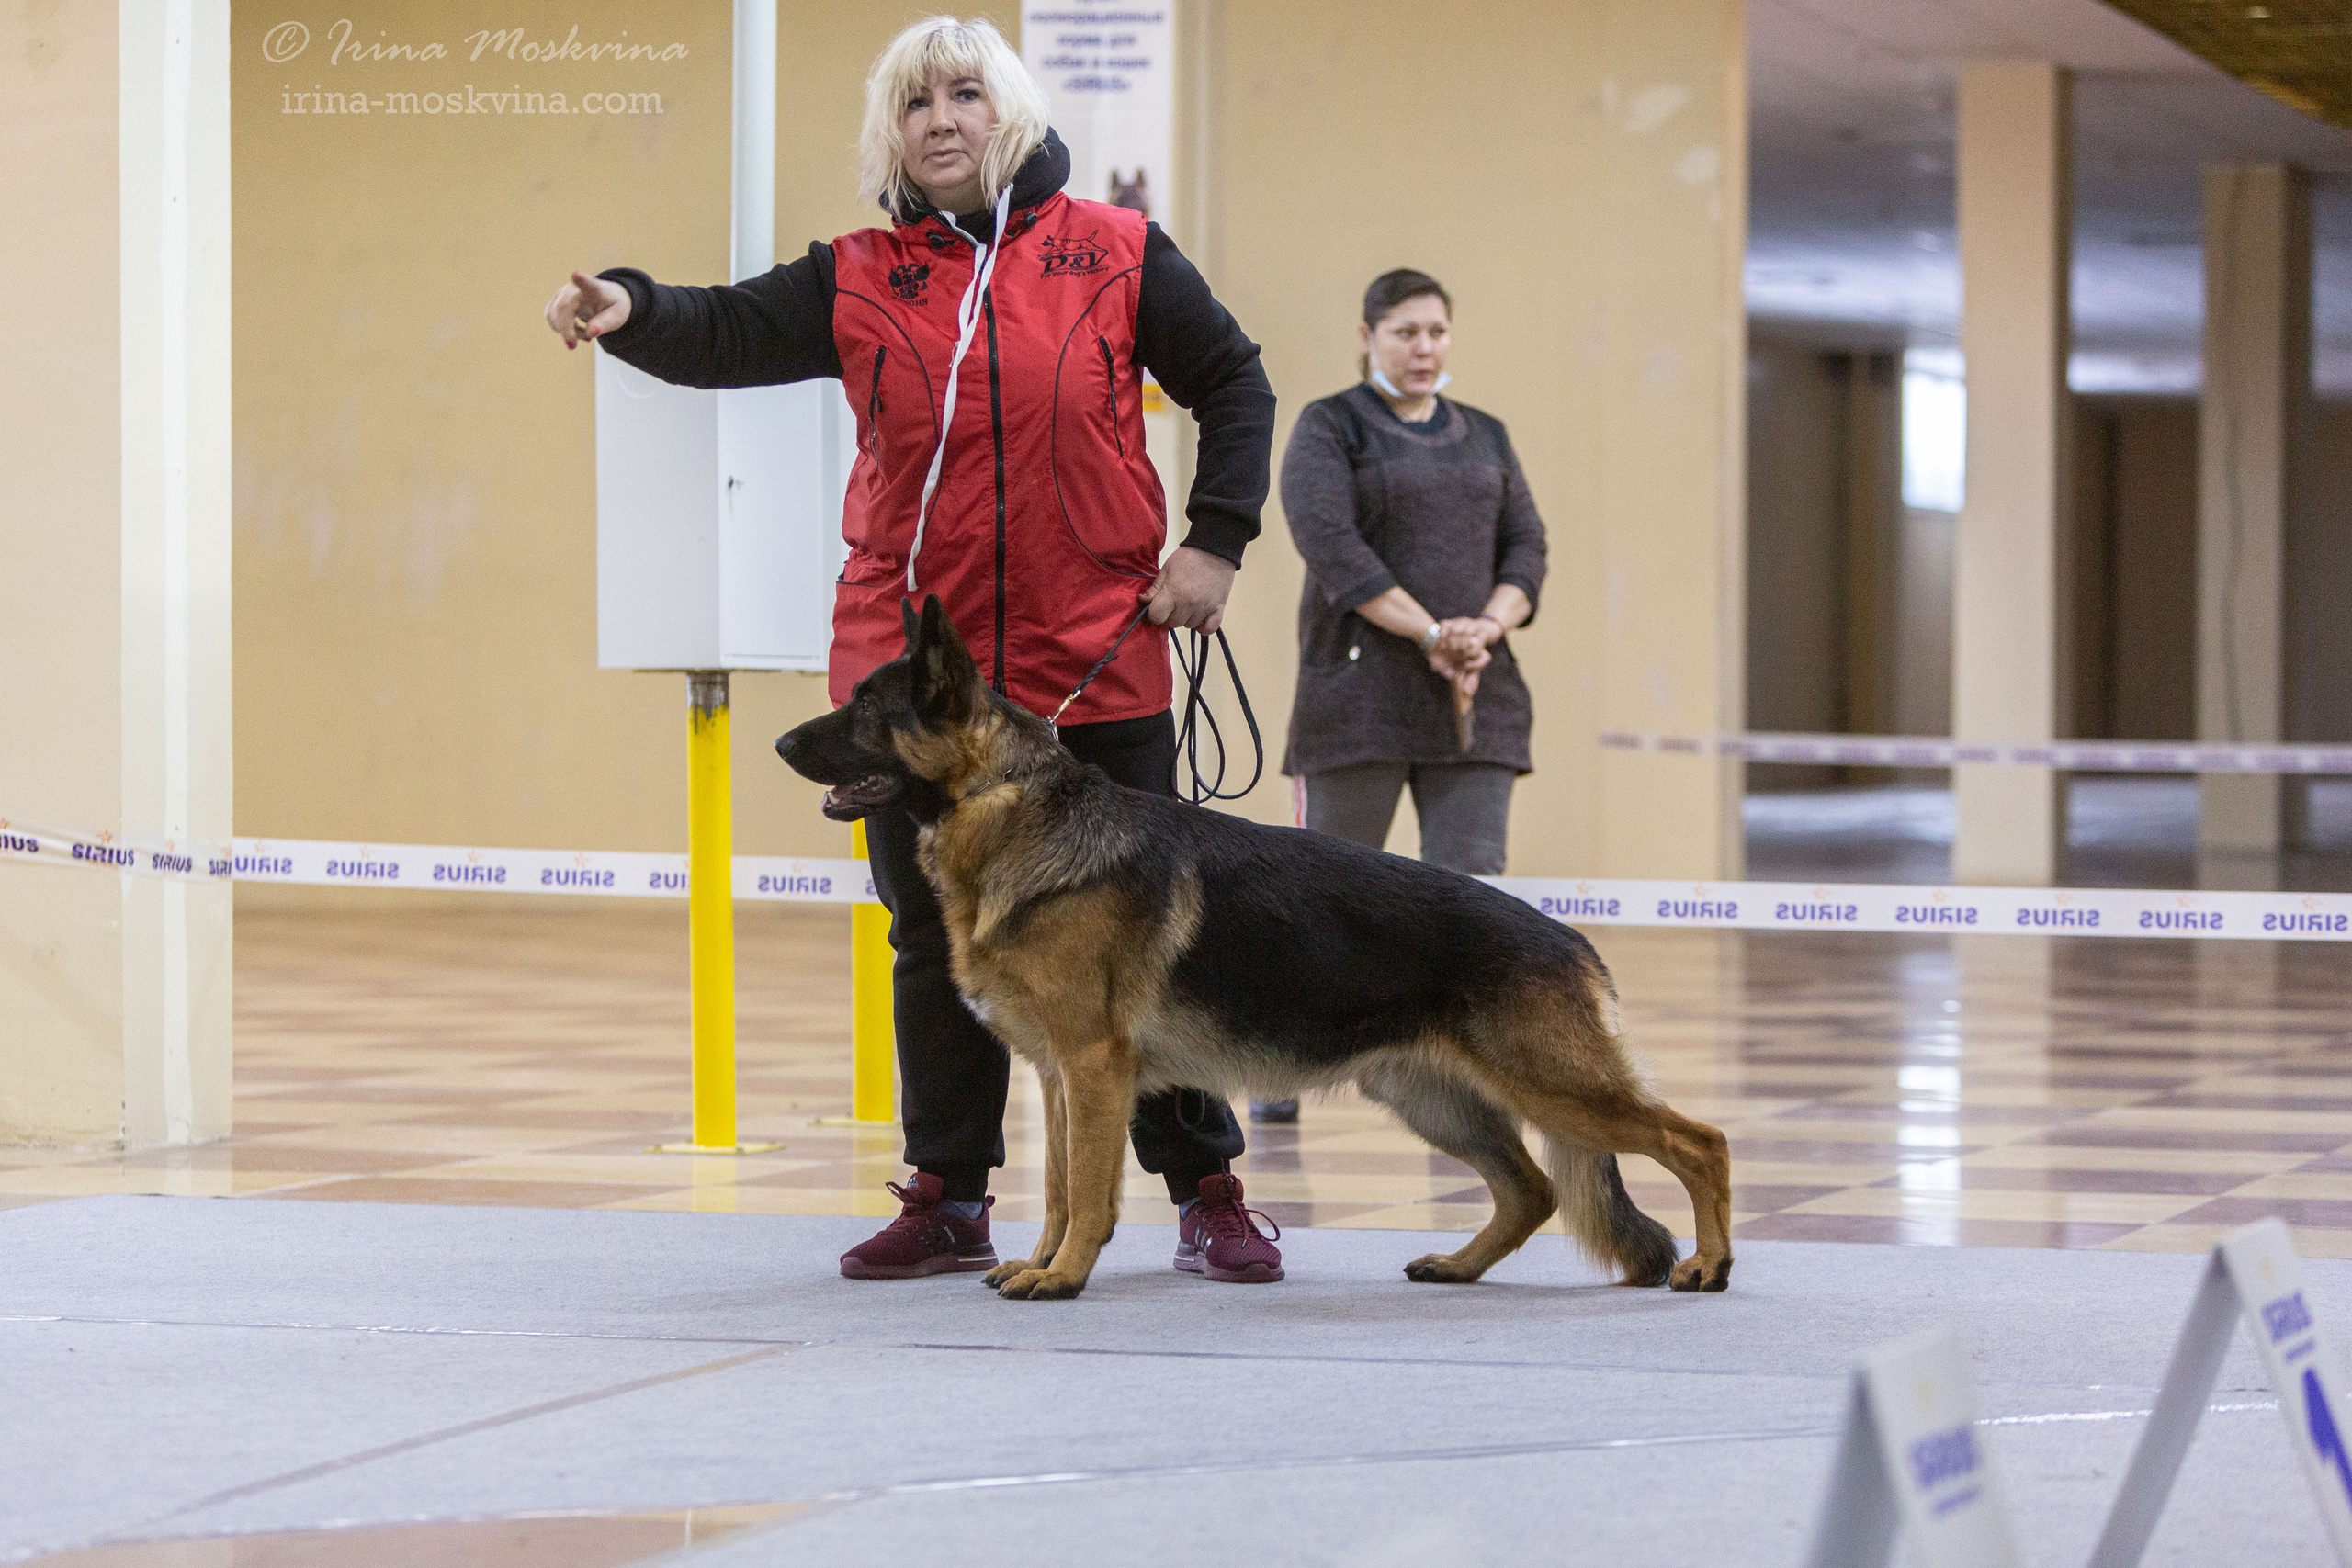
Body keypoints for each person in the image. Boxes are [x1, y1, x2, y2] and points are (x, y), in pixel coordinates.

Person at [543, 17, 1283, 1285]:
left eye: (965, 94)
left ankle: (1204, 1186)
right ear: (892, 133)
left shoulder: (1114, 251)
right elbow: (722, 332)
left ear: (1014, 113)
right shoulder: (860, 274)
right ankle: (948, 1194)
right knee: (932, 936)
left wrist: (1213, 541)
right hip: (914, 680)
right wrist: (633, 307)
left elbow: (1235, 382)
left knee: (1151, 940)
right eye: (915, 102)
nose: (941, 119)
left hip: (1093, 659)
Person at [1255, 270, 1548, 1123]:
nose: (1424, 349)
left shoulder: (1484, 434)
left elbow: (1527, 546)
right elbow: (1333, 548)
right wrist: (1430, 633)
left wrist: (1483, 630)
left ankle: (1467, 1069)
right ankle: (1279, 1067)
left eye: (1436, 333)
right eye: (1405, 332)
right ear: (1368, 335)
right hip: (1358, 698)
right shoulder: (1331, 426)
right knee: (1320, 898)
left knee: (1472, 893)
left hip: (1473, 695)